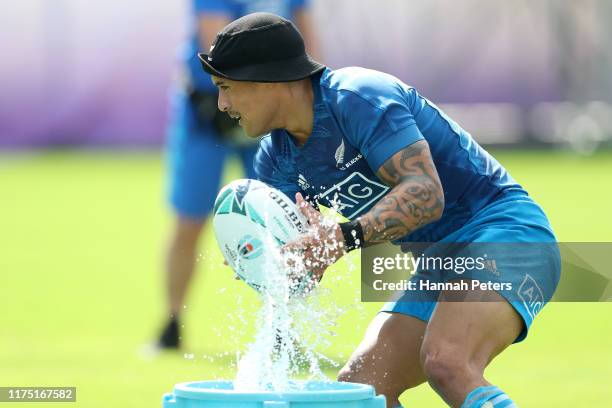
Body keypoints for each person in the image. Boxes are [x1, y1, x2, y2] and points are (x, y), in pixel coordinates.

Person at [198, 12, 560, 408]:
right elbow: (306, 270)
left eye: (226, 87)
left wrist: (341, 236)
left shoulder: (358, 97)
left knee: (448, 362)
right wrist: (278, 262)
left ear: (269, 79)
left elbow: (425, 194)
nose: (223, 104)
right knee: (362, 388)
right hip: (440, 263)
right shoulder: (275, 159)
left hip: (506, 232)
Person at [159, 0, 320, 349]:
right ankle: (172, 322)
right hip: (206, 110)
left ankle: (283, 328)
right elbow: (215, 46)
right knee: (189, 219)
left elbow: (307, 37)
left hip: (265, 105)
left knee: (285, 219)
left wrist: (307, 96)